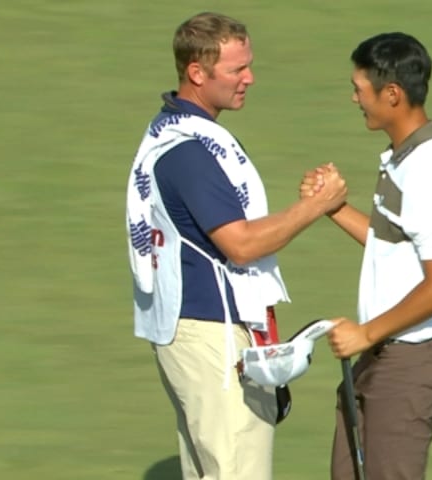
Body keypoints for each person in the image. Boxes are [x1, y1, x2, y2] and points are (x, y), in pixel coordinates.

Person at [125, 12, 347, 480]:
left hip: (192, 329)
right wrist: (319, 205)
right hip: (212, 336)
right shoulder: (190, 153)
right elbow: (241, 245)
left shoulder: (173, 132)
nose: (250, 78)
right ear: (197, 73)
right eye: (236, 70)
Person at [302, 32, 432, 480]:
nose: (354, 97)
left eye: (360, 88)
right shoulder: (402, 159)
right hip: (383, 355)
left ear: (391, 94)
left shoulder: (427, 170)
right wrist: (331, 208)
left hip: (408, 361)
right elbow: (393, 244)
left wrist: (366, 333)